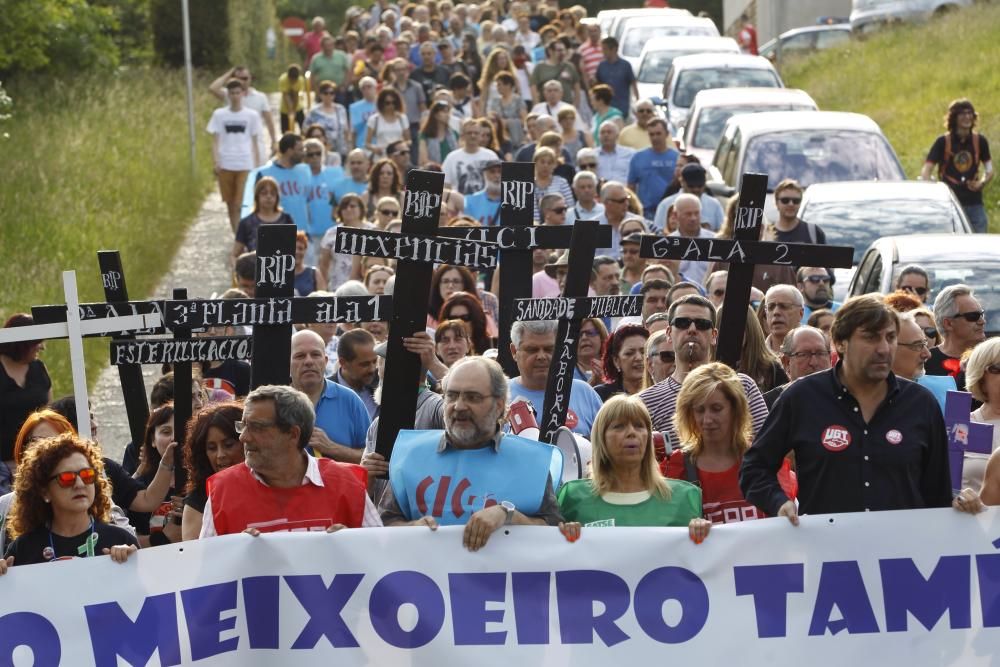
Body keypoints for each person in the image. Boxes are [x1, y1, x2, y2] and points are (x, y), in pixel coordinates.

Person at [741, 295, 960, 522]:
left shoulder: (921, 403)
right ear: (841, 343)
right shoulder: (801, 398)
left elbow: (938, 494)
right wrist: (779, 502)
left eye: (890, 338)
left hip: (900, 553)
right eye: (871, 338)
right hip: (826, 550)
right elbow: (754, 469)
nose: (883, 349)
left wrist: (961, 507)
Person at [379, 357, 565, 551]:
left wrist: (509, 515)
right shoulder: (412, 455)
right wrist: (410, 529)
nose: (459, 406)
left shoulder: (530, 461)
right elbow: (382, 525)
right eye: (451, 396)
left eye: (472, 397)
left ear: (499, 405)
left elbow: (554, 532)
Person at [200, 385, 378, 537]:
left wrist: (354, 546)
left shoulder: (348, 485)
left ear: (293, 434)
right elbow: (206, 570)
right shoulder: (222, 492)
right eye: (243, 426)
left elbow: (381, 557)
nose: (244, 438)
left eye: (256, 427)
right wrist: (232, 552)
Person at [557, 395, 705, 532]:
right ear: (601, 438)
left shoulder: (685, 498)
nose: (631, 432)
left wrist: (702, 535)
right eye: (619, 426)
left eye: (639, 426)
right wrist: (564, 535)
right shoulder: (573, 497)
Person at [667, 362, 790, 526]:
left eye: (716, 408)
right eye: (700, 410)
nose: (707, 419)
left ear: (735, 409)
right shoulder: (676, 469)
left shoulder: (765, 462)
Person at [639, 295, 769, 448]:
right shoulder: (645, 401)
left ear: (714, 336)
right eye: (682, 323)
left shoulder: (742, 385)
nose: (692, 329)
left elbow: (766, 446)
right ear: (668, 333)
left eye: (702, 324)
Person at [2, 433, 138, 568]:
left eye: (87, 475)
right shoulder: (23, 550)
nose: (79, 484)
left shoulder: (120, 540)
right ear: (44, 492)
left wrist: (131, 561)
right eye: (67, 478)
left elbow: (145, 585)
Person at [508, 320, 605, 436]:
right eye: (532, 350)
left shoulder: (585, 393)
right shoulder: (499, 397)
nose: (541, 356)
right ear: (514, 351)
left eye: (549, 349)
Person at [290, 330, 371, 464]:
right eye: (300, 356)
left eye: (315, 355)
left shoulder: (350, 400)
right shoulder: (276, 402)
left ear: (325, 361)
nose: (308, 361)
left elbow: (372, 457)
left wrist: (332, 448)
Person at [920, 98, 993, 233]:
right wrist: (936, 189)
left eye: (970, 113)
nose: (967, 117)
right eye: (962, 114)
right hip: (950, 205)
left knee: (980, 245)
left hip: (974, 203)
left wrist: (981, 183)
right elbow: (926, 171)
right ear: (954, 118)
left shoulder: (980, 141)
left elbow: (989, 170)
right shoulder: (943, 142)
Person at [0, 314, 52, 492]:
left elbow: (48, 413)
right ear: (22, 344)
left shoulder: (39, 369)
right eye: (37, 342)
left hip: (35, 462)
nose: (42, 347)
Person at [180, 401, 244, 540]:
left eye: (228, 445)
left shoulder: (272, 482)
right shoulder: (198, 500)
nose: (220, 455)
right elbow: (196, 556)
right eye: (212, 448)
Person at [208, 77, 262, 232]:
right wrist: (216, 161)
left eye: (238, 93)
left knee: (241, 203)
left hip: (244, 162)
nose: (235, 96)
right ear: (228, 95)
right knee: (230, 204)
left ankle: (245, 238)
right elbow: (215, 140)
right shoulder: (219, 115)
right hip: (226, 162)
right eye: (232, 93)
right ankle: (237, 236)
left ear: (243, 94)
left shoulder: (251, 115)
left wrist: (257, 166)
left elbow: (255, 141)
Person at [754, 179, 826, 291]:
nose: (791, 204)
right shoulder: (766, 233)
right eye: (785, 200)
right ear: (776, 203)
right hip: (775, 294)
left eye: (796, 201)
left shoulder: (813, 232)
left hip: (807, 295)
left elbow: (827, 268)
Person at [209, 66, 277, 162]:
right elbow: (213, 88)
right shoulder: (230, 94)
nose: (242, 81)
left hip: (256, 144)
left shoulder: (260, 97)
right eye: (238, 78)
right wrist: (230, 73)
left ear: (250, 78)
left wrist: (274, 141)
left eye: (245, 78)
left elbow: (269, 121)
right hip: (234, 148)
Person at [926, 284, 985, 390]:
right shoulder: (925, 361)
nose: (982, 321)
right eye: (973, 316)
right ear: (948, 324)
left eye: (982, 315)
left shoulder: (991, 360)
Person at [721, 304, 789, 394]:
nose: (731, 333)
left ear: (750, 328)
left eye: (736, 326)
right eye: (726, 327)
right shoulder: (709, 367)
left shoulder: (772, 369)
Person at [252, 133, 312, 234]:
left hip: (302, 233)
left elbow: (307, 202)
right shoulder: (264, 174)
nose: (304, 153)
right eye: (300, 149)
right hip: (276, 233)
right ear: (289, 151)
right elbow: (257, 203)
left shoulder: (305, 170)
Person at [763, 325, 832, 409]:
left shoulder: (844, 400)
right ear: (786, 362)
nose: (814, 362)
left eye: (820, 353)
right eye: (804, 354)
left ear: (830, 359)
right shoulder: (767, 405)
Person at [628, 119, 679, 220]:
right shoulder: (638, 157)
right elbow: (631, 186)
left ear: (667, 134)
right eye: (651, 134)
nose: (655, 138)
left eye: (658, 134)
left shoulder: (677, 158)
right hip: (647, 212)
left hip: (672, 211)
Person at [319, 193, 372, 290]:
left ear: (361, 209)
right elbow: (324, 264)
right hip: (338, 286)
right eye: (344, 206)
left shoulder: (372, 230)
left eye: (352, 206)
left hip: (365, 287)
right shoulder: (331, 233)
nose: (348, 209)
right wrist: (324, 288)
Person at [653, 163, 725, 233]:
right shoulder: (666, 204)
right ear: (682, 182)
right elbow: (658, 232)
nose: (696, 189)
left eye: (700, 186)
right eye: (691, 186)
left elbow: (723, 232)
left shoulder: (714, 205)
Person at [664, 194, 715, 286]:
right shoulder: (668, 244)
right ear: (676, 215)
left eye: (696, 213)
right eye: (688, 214)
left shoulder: (714, 241)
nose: (693, 218)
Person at [442, 118, 500, 195]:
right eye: (469, 133)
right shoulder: (451, 157)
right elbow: (446, 185)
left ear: (480, 135)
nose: (473, 135)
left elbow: (498, 182)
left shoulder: (491, 156)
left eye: (476, 133)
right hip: (459, 204)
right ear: (463, 135)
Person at [332, 328, 380, 419]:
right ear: (343, 363)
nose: (372, 369)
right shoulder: (324, 392)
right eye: (364, 364)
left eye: (375, 361)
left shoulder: (384, 386)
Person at [594, 325, 650, 401]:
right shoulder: (600, 395)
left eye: (643, 352)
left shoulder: (661, 392)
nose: (639, 358)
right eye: (629, 353)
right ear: (616, 361)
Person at [304, 79, 351, 160]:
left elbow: (346, 130)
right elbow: (305, 129)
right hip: (320, 151)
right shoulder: (314, 111)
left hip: (340, 149)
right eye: (326, 93)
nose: (329, 95)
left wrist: (349, 147)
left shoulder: (340, 109)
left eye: (332, 93)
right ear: (321, 95)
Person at [530, 40, 581, 109]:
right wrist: (538, 106)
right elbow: (533, 87)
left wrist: (575, 105)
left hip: (566, 107)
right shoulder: (540, 67)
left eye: (564, 50)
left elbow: (577, 88)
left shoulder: (569, 66)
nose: (563, 53)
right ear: (550, 51)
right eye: (559, 50)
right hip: (547, 108)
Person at [595, 37, 637, 118]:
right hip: (605, 108)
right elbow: (597, 86)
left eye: (605, 49)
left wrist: (637, 102)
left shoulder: (625, 65)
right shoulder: (601, 66)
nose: (603, 52)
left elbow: (633, 84)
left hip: (622, 107)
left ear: (614, 49)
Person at [365, 87, 410, 158]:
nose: (391, 105)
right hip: (381, 157)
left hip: (398, 157)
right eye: (387, 103)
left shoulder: (402, 118)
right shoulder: (374, 119)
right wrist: (375, 149)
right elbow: (367, 143)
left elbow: (408, 140)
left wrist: (400, 147)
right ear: (382, 103)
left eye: (394, 103)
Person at [487, 72, 526, 148]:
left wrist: (508, 122)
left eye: (499, 84)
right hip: (500, 137)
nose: (497, 87)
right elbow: (491, 118)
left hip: (516, 138)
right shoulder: (495, 101)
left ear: (508, 85)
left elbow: (524, 120)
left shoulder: (518, 100)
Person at [763, 284, 805, 355]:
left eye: (784, 306)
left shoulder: (816, 349)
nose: (776, 312)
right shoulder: (754, 354)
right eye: (771, 307)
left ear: (800, 313)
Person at [418, 100, 461, 165]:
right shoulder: (425, 135)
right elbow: (424, 160)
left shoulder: (454, 134)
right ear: (435, 115)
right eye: (444, 112)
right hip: (433, 172)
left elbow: (459, 155)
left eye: (448, 112)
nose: (447, 115)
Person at [464, 159, 503, 227]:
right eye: (492, 172)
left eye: (500, 172)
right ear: (484, 174)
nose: (497, 175)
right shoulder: (470, 201)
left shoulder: (513, 202)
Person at [577, 317, 609, 383]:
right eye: (579, 334)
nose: (584, 337)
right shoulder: (565, 371)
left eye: (590, 333)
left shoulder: (614, 368)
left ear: (602, 337)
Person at [278, 64, 306, 132]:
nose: (293, 81)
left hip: (298, 108)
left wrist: (294, 110)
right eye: (292, 79)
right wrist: (290, 110)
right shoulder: (283, 79)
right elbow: (286, 96)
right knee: (286, 131)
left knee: (304, 128)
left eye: (295, 79)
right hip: (285, 109)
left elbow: (296, 95)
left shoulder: (300, 80)